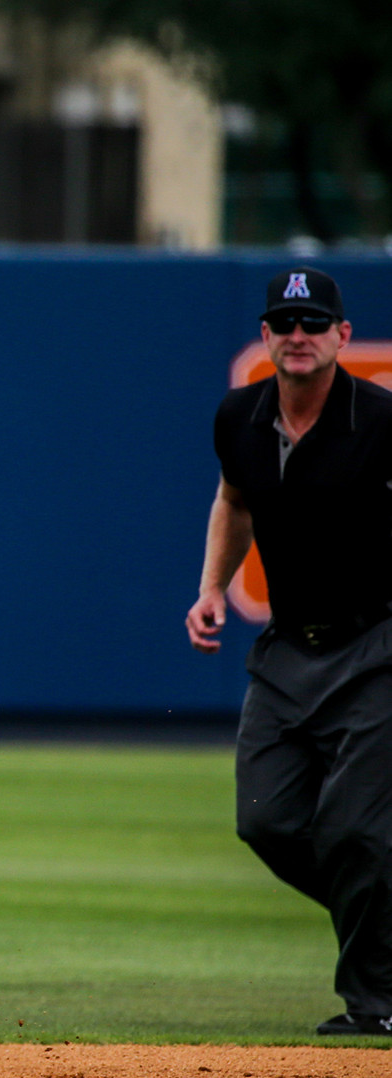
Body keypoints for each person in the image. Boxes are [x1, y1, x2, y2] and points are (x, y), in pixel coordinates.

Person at [186, 266, 392, 1038]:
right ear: (266, 336)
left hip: (374, 646)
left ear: (343, 336)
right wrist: (213, 586)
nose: (298, 337)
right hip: (285, 650)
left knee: (355, 833)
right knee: (267, 821)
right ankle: (384, 928)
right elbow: (234, 500)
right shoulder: (239, 416)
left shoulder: (378, 421)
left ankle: (376, 1002)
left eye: (313, 324)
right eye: (284, 323)